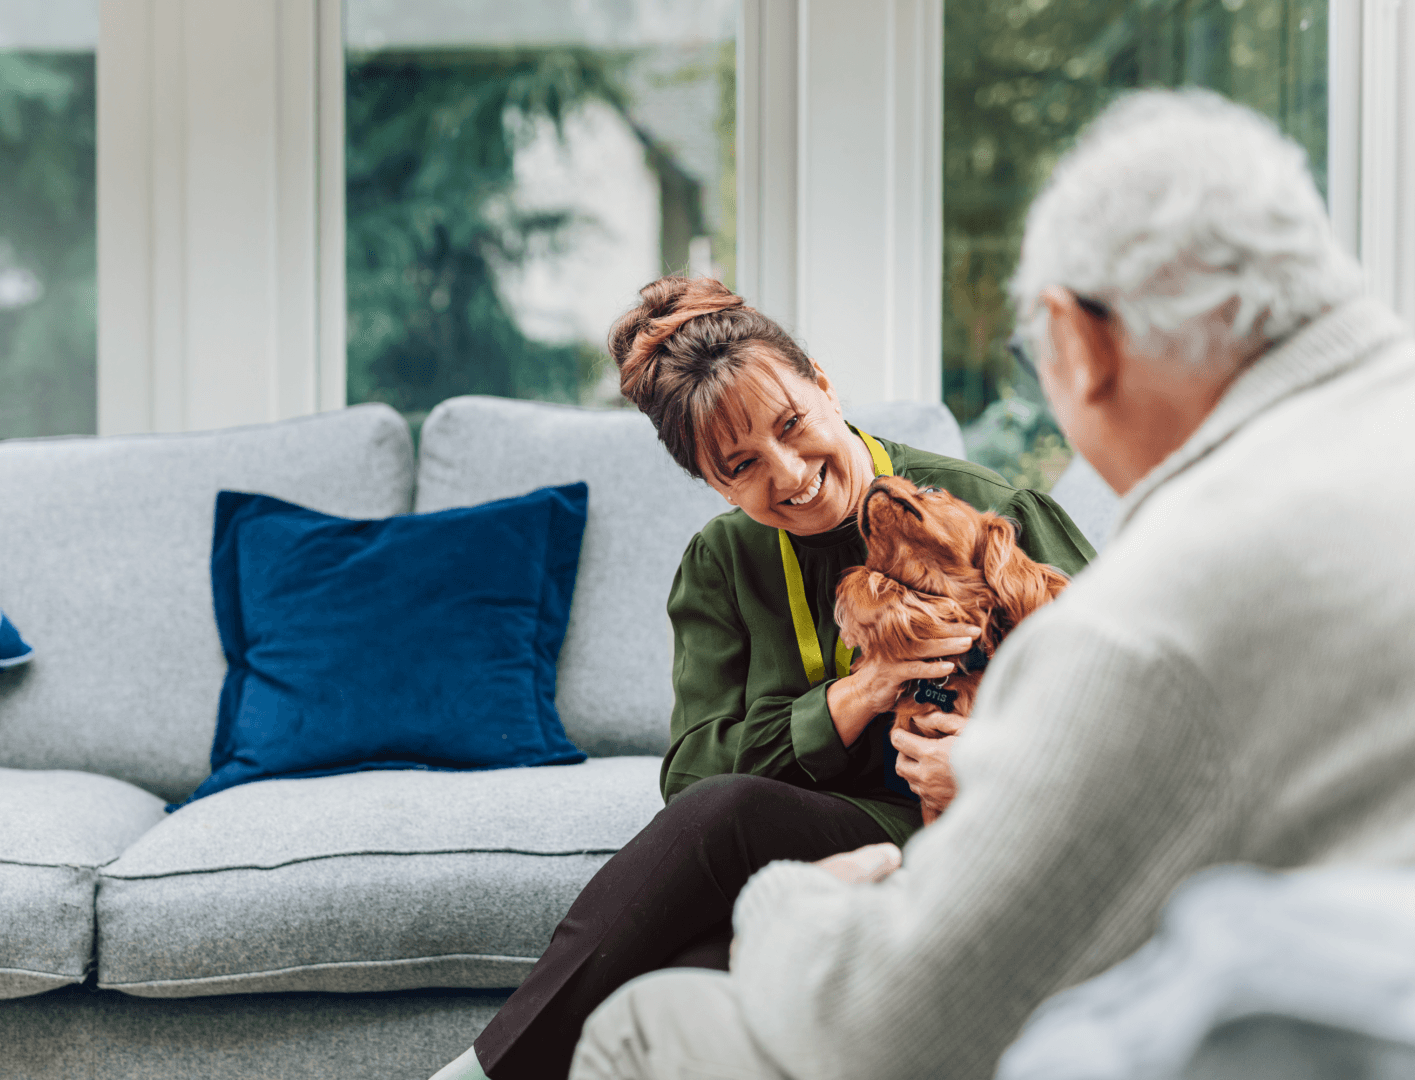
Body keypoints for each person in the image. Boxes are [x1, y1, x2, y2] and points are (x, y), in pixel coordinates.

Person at [569, 88, 1415, 1080]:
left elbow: (895, 1022)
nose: (789, 474)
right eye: (738, 467)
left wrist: (787, 900)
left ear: (1080, 342)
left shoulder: (1158, 608)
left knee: (645, 1023)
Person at [429, 279, 1095, 1080]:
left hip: (985, 832)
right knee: (685, 961)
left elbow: (1131, 706)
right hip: (839, 838)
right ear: (712, 483)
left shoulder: (988, 509)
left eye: (793, 426)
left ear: (823, 383)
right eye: (741, 466)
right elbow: (693, 779)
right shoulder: (722, 563)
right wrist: (856, 695)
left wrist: (991, 763)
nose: (788, 476)